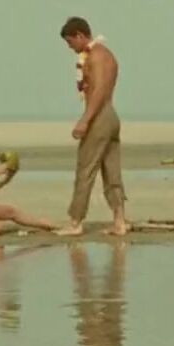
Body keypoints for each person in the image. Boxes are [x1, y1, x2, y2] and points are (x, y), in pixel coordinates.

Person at [56, 16, 128, 237]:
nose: (70, 48)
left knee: (85, 169)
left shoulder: (97, 56)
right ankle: (119, 221)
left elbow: (100, 91)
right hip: (109, 116)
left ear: (79, 35)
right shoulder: (104, 54)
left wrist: (85, 120)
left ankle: (75, 221)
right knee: (111, 170)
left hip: (100, 117)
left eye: (70, 42)